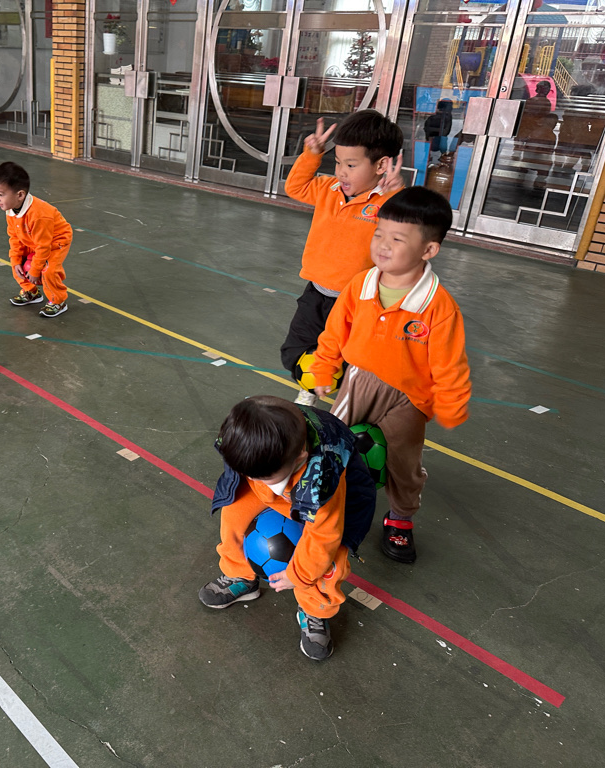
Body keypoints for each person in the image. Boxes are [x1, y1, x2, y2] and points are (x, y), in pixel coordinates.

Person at [311, 186, 472, 564]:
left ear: (428, 249)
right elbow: (334, 332)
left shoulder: (439, 307)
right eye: (379, 233)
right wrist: (324, 367)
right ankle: (324, 503)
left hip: (410, 397)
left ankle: (400, 517)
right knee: (332, 444)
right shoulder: (360, 285)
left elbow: (450, 364)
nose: (383, 244)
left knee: (404, 463)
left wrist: (451, 405)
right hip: (359, 383)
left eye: (398, 239)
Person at [198, 395, 376, 661]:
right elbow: (253, 473)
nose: (252, 477)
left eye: (261, 475)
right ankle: (240, 576)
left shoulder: (323, 476)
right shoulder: (250, 439)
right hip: (281, 482)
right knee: (233, 513)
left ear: (299, 458)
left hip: (333, 502)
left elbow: (324, 537)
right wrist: (256, 479)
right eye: (248, 472)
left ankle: (314, 609)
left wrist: (299, 575)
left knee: (329, 561)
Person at [280, 109, 404, 406]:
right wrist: (312, 156)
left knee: (352, 359)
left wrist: (396, 194)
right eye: (337, 162)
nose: (341, 172)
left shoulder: (386, 203)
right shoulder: (328, 189)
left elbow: (407, 229)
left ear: (381, 165)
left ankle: (351, 404)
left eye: (350, 165)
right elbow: (294, 187)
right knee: (295, 350)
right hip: (316, 292)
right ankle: (310, 386)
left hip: (356, 302)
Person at [0, 161, 73, 318]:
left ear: (20, 195)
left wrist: (35, 270)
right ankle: (32, 292)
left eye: (1, 194)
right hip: (31, 238)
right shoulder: (11, 210)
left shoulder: (39, 215)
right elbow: (14, 237)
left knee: (48, 270)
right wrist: (15, 261)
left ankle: (58, 301)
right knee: (17, 264)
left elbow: (44, 246)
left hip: (55, 241)